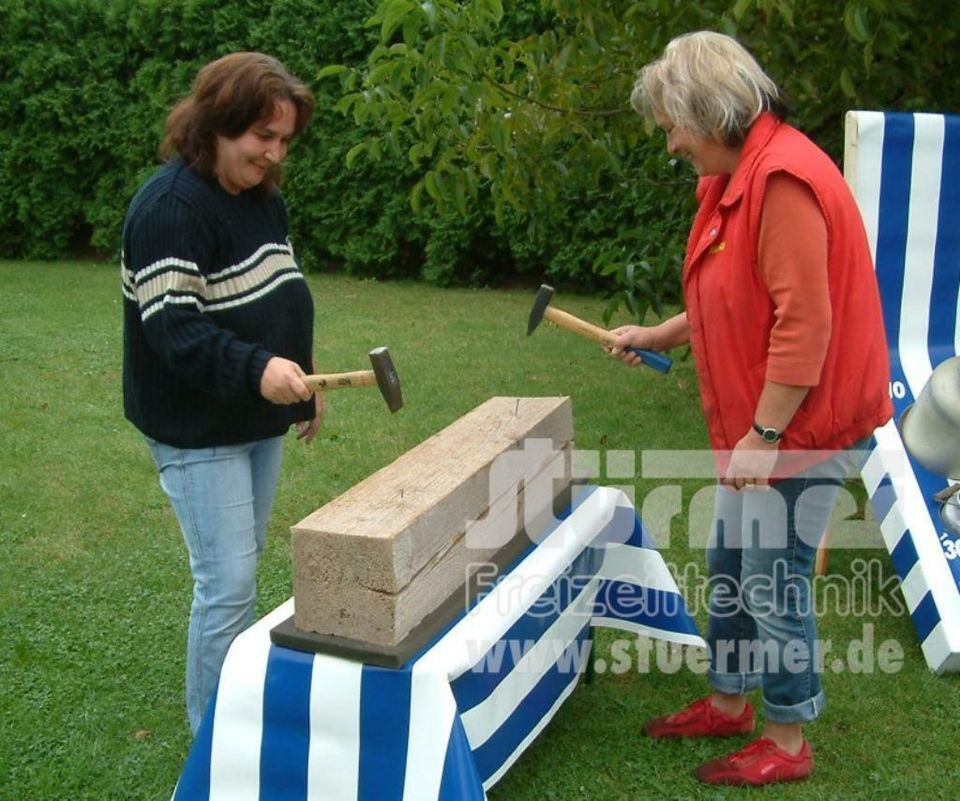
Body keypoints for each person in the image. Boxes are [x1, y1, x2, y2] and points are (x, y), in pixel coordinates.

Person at [611, 32, 892, 786]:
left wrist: (765, 433)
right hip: (768, 426)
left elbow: (804, 321)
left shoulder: (784, 180)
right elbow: (728, 292)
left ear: (713, 111)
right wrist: (660, 332)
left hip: (804, 425)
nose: (669, 143)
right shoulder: (732, 177)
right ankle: (731, 701)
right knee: (729, 561)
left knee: (772, 578)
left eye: (674, 124)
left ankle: (787, 737)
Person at [121, 52, 322, 735]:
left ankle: (236, 713)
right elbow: (172, 329)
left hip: (252, 412)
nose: (273, 154)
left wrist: (304, 378)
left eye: (284, 140)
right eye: (262, 136)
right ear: (216, 124)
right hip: (194, 424)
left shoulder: (264, 202)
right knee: (228, 583)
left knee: (239, 572)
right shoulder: (168, 209)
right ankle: (214, 741)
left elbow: (281, 297)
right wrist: (260, 369)